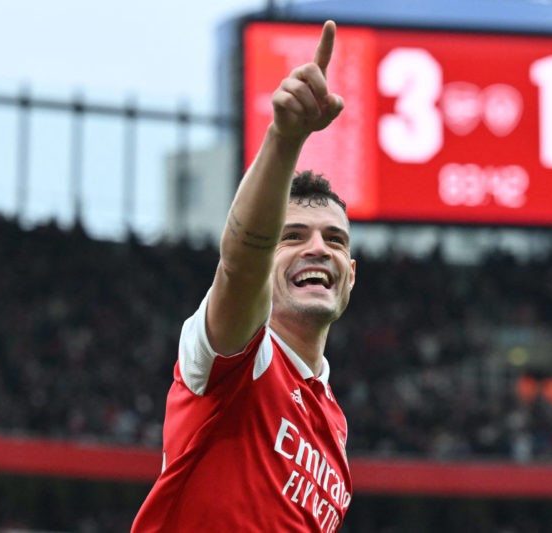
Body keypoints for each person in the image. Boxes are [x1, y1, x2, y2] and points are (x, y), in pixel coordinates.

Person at [132, 20, 355, 532]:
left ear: (351, 275)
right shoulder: (236, 355)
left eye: (335, 240)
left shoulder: (335, 425)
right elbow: (240, 263)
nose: (318, 248)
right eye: (293, 236)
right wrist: (284, 139)